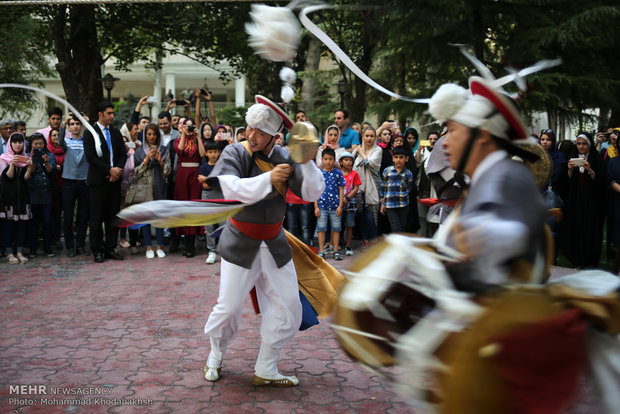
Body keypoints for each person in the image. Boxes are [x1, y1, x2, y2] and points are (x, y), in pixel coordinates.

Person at [202, 95, 325, 387]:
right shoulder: (234, 152)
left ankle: (266, 367)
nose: (251, 135)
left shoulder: (284, 156)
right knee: (228, 308)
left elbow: (310, 193)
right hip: (239, 242)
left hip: (275, 244)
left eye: (260, 131)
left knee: (289, 307)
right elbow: (231, 191)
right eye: (249, 128)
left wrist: (305, 161)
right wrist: (269, 179)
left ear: (275, 136)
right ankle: (215, 355)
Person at [428, 76, 547, 289]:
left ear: (482, 135)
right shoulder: (484, 180)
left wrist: (484, 236)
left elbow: (515, 234)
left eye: (453, 130)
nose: (444, 142)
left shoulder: (509, 175)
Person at [83, 101, 127, 263]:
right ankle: (97, 250)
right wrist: (109, 170)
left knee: (113, 217)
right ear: (100, 114)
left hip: (114, 182)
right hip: (98, 181)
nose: (112, 116)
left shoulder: (115, 133)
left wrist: (118, 170)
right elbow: (91, 157)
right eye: (109, 113)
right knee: (96, 217)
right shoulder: (90, 133)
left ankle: (110, 248)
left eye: (112, 113)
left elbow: (123, 154)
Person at [560, 133, 606, 269]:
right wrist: (569, 169)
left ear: (589, 145)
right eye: (579, 144)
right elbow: (566, 182)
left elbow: (601, 182)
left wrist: (590, 170)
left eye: (584, 144)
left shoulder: (596, 159)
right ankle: (577, 259)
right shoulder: (571, 158)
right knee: (576, 228)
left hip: (592, 203)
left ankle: (590, 260)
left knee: (591, 230)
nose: (581, 147)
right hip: (576, 203)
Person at [131, 124, 171, 259]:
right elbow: (135, 172)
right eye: (149, 134)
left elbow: (168, 171)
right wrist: (146, 159)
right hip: (144, 188)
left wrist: (160, 161)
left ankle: (160, 246)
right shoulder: (139, 152)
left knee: (159, 217)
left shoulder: (164, 150)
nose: (152, 137)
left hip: (159, 186)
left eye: (154, 134)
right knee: (146, 218)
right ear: (145, 135)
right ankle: (148, 246)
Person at [173, 117, 206, 258]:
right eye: (186, 126)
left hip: (195, 174)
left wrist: (198, 136)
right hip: (182, 174)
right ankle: (185, 243)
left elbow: (203, 154)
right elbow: (179, 150)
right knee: (183, 207)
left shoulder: (198, 139)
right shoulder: (178, 140)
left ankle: (191, 245)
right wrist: (184, 135)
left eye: (191, 126)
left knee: (194, 206)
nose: (189, 128)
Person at [58, 114, 90, 257]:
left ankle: (81, 244)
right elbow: (59, 139)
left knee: (83, 216)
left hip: (84, 182)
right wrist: (64, 123)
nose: (75, 126)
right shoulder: (66, 142)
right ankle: (70, 246)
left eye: (78, 124)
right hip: (69, 182)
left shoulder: (87, 142)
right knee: (69, 216)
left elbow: (96, 140)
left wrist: (88, 124)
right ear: (69, 127)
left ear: (81, 126)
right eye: (72, 124)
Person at [0, 133, 33, 263]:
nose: (18, 145)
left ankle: (19, 251)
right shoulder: (3, 158)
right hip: (9, 198)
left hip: (23, 197)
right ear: (10, 144)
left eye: (20, 142)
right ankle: (9, 252)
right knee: (8, 226)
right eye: (15, 142)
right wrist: (13, 164)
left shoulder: (25, 158)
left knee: (21, 225)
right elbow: (7, 178)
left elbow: (25, 179)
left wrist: (29, 168)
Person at [27, 133, 57, 258]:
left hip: (47, 193)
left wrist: (46, 162)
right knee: (34, 222)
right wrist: (33, 160)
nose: (38, 146)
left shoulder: (50, 155)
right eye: (36, 144)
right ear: (31, 145)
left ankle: (47, 248)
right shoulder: (28, 156)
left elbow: (52, 171)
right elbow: (31, 171)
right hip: (33, 193)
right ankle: (33, 249)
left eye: (40, 143)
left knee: (47, 221)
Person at [352, 126, 382, 248]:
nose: (369, 138)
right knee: (361, 217)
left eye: (371, 136)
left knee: (371, 218)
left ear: (375, 137)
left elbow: (370, 163)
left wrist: (360, 152)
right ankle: (365, 241)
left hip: (372, 187)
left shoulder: (378, 150)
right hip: (358, 188)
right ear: (362, 137)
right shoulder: (356, 151)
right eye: (367, 136)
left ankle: (373, 241)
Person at [315, 148, 345, 260]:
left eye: (330, 159)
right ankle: (321, 250)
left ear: (334, 160)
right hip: (322, 206)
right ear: (322, 159)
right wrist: (316, 207)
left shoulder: (338, 173)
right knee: (321, 228)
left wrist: (340, 205)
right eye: (326, 159)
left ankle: (335, 250)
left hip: (335, 206)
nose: (328, 161)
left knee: (336, 228)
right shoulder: (319, 173)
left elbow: (341, 190)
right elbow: (316, 191)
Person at [197, 140, 222, 264]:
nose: (213, 154)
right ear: (206, 153)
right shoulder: (203, 167)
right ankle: (211, 251)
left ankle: (224, 249)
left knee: (224, 224)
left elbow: (222, 183)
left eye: (215, 152)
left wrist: (207, 179)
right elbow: (206, 186)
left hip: (222, 197)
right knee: (209, 225)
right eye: (210, 152)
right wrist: (214, 181)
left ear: (219, 153)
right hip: (207, 197)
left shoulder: (222, 167)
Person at [380, 146, 414, 233]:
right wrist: (382, 204)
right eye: (396, 157)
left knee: (402, 227)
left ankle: (400, 245)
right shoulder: (387, 171)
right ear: (393, 159)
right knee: (395, 227)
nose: (398, 160)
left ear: (406, 159)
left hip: (403, 204)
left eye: (401, 157)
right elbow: (383, 188)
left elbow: (409, 187)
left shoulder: (408, 174)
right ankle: (396, 245)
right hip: (390, 204)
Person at [119, 122, 140, 253]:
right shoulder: (121, 146)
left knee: (134, 214)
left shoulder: (136, 146)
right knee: (123, 213)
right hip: (122, 185)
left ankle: (133, 239)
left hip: (134, 186)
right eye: (135, 128)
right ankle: (122, 238)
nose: (137, 130)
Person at [339, 151, 361, 256]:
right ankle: (337, 244)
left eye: (350, 160)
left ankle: (348, 245)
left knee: (349, 224)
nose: (348, 162)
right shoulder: (338, 173)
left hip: (350, 203)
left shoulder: (354, 174)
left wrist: (347, 198)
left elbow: (356, 188)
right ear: (341, 162)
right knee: (337, 224)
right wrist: (340, 199)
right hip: (339, 203)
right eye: (346, 160)